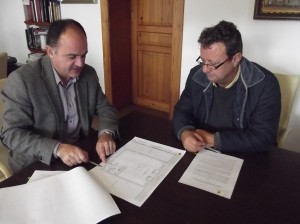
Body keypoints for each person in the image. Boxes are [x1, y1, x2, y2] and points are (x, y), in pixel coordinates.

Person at [0, 19, 118, 173]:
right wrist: (58, 149)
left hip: (80, 155)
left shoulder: (88, 74)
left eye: (84, 55)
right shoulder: (22, 80)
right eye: (72, 56)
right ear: (50, 52)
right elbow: (11, 134)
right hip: (37, 164)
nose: (80, 63)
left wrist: (106, 134)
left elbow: (105, 108)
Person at [172, 20, 281, 153]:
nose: (205, 70)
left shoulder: (265, 83)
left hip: (245, 155)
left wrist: (214, 140)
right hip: (202, 151)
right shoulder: (197, 74)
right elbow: (182, 111)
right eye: (203, 60)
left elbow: (263, 137)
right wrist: (185, 133)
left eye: (213, 63)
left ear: (235, 59)